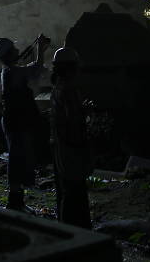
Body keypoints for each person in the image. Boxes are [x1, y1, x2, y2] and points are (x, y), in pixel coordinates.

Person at [0, 33, 50, 211]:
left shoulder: (9, 71)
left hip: (13, 120)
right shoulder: (12, 72)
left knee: (18, 159)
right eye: (14, 49)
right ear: (9, 53)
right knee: (18, 161)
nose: (17, 50)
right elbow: (35, 69)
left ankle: (17, 201)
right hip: (16, 122)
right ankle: (15, 202)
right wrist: (40, 49)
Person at [50, 46, 92, 228]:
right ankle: (73, 229)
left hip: (61, 143)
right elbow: (74, 121)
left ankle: (67, 225)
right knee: (74, 191)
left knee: (66, 188)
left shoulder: (58, 88)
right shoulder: (69, 90)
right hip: (72, 145)